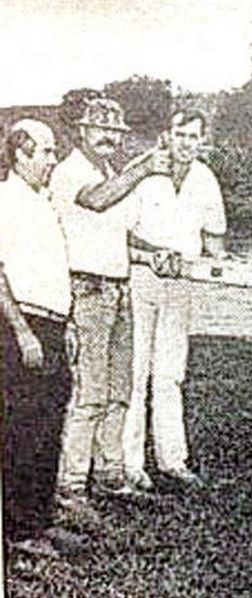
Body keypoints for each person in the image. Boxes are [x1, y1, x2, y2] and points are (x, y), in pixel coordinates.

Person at [50, 96, 168, 525]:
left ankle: (111, 476)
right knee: (90, 394)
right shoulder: (69, 173)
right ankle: (72, 485)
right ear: (81, 131)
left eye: (116, 132)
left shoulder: (112, 173)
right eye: (100, 129)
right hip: (88, 292)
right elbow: (98, 201)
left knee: (121, 390)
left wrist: (157, 253)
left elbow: (120, 234)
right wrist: (145, 167)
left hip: (119, 289)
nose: (109, 137)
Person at [122, 109, 229, 491]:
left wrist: (226, 265)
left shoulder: (206, 179)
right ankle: (130, 465)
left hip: (180, 285)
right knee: (135, 373)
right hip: (141, 280)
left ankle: (173, 461)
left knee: (169, 373)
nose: (186, 143)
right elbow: (121, 235)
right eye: (180, 134)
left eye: (193, 136)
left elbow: (215, 240)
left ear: (203, 140)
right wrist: (155, 253)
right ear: (168, 134)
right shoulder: (145, 171)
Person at [0, 119, 83, 557]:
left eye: (52, 152)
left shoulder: (41, 201)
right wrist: (22, 332)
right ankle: (18, 529)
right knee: (23, 428)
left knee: (50, 424)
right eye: (46, 152)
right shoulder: (6, 201)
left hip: (51, 325)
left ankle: (41, 519)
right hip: (23, 328)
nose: (53, 160)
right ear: (20, 155)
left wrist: (63, 328)